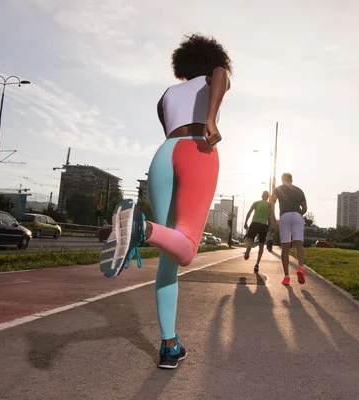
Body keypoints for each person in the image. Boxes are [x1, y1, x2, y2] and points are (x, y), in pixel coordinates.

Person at [99, 34, 232, 369]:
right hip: (198, 150)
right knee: (185, 249)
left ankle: (169, 346)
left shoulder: (167, 94)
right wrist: (212, 118)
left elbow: (169, 130)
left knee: (169, 257)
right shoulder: (213, 75)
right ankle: (140, 228)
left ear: (182, 64)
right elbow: (221, 75)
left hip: (163, 155)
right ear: (210, 59)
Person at [270, 173, 308, 285]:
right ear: (292, 180)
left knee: (285, 247)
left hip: (284, 216)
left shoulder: (278, 189)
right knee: (298, 244)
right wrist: (297, 214)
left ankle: (286, 277)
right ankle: (300, 267)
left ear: (282, 180)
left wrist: (273, 218)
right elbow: (305, 208)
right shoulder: (299, 191)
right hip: (297, 215)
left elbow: (272, 202)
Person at [243, 191, 270, 272]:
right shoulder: (269, 205)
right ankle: (257, 264)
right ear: (268, 197)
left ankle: (248, 247)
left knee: (249, 240)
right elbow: (270, 216)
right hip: (263, 225)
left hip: (254, 223)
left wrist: (245, 222)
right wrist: (271, 226)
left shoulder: (256, 203)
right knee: (261, 245)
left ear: (261, 196)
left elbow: (249, 212)